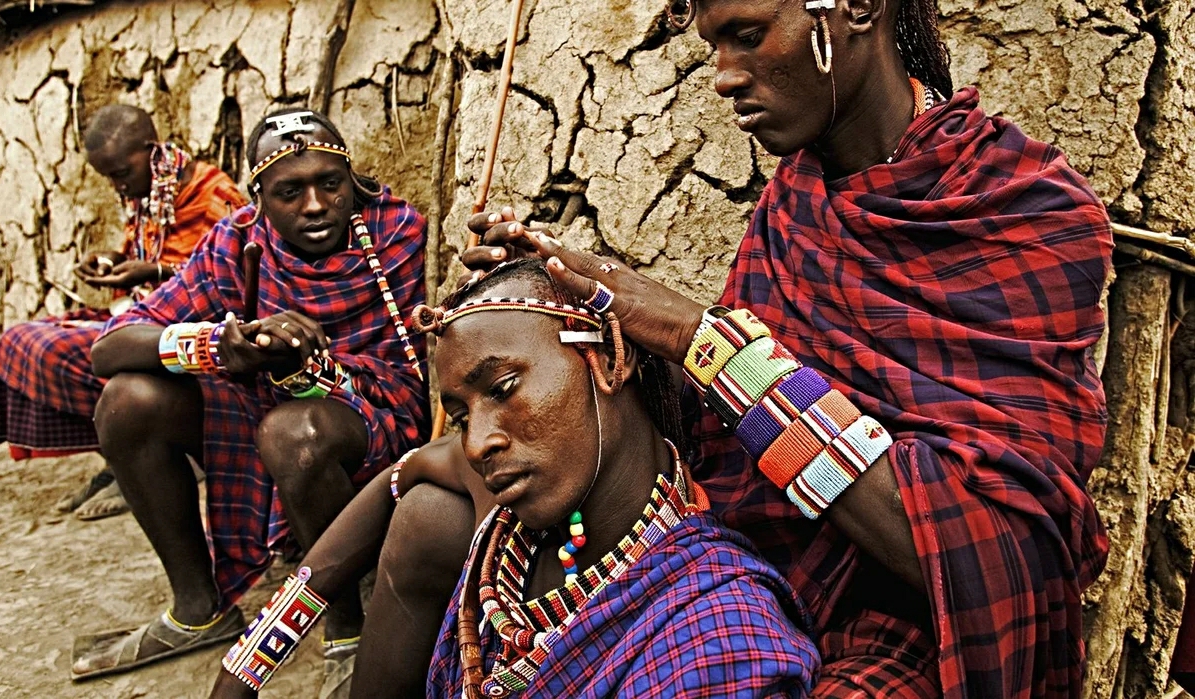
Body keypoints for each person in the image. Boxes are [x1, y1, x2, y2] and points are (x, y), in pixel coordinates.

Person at [362, 0, 1117, 695]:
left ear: (856, 7)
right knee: (432, 514)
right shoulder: (797, 197)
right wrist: (554, 304)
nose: (722, 76)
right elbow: (730, 415)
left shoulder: (1028, 211)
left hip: (902, 626)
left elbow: (979, 547)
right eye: (713, 45)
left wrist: (696, 337)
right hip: (743, 550)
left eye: (747, 35)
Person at [207, 258, 820, 698]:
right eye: (463, 410)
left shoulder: (716, 637)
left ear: (606, 359)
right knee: (425, 511)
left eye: (502, 390)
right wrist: (246, 665)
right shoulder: (523, 511)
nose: (476, 443)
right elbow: (402, 475)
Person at [68, 108, 429, 689]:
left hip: (374, 416)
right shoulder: (236, 243)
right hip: (261, 411)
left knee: (295, 434)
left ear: (352, 181)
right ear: (258, 197)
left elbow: (399, 372)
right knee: (127, 399)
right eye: (290, 191)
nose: (315, 205)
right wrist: (216, 344)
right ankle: (198, 609)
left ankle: (347, 627)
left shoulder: (396, 231)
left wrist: (314, 363)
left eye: (330, 184)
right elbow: (109, 347)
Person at [0, 104, 247, 521]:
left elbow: (235, 280)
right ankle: (121, 457)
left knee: (64, 351)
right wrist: (113, 264)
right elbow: (141, 260)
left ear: (150, 149)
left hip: (188, 334)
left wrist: (157, 271)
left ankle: (154, 459)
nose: (118, 185)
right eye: (110, 178)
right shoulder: (146, 197)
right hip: (142, 315)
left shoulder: (212, 194)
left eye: (122, 172)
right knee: (21, 339)